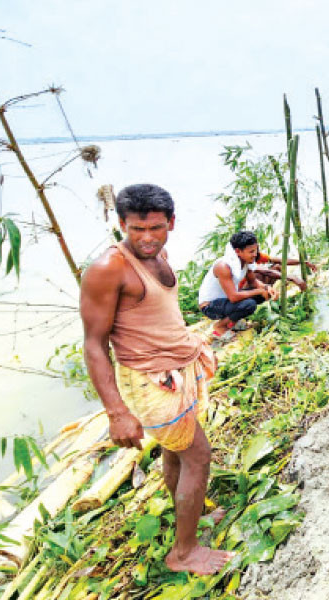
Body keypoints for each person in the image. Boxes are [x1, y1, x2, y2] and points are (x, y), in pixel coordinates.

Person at [80, 184, 233, 575]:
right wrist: (117, 412)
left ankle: (191, 522)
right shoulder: (108, 270)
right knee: (197, 455)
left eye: (155, 228)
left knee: (175, 452)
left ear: (171, 223)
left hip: (177, 370)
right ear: (120, 225)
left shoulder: (158, 254)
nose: (146, 239)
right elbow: (95, 346)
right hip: (150, 382)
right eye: (136, 230)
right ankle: (184, 553)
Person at [197, 231, 279, 342]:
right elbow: (234, 297)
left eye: (255, 250)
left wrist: (266, 288)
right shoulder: (223, 266)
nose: (255, 254)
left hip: (226, 301)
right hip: (210, 306)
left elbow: (253, 282)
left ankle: (232, 322)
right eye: (251, 251)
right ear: (238, 251)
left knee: (262, 295)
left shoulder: (246, 261)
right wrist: (259, 291)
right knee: (249, 304)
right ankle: (220, 327)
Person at [251, 251, 316, 291]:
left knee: (277, 266)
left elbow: (281, 260)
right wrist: (291, 278)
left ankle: (271, 292)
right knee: (259, 273)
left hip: (262, 285)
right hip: (247, 289)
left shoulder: (257, 255)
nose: (254, 254)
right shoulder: (245, 260)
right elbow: (266, 272)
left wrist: (303, 262)